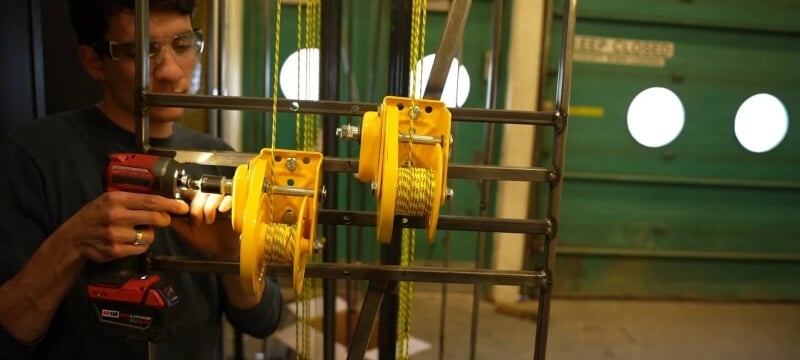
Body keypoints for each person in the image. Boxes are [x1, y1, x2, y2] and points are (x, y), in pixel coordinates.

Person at [0, 0, 283, 359]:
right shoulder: (32, 156)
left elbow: (263, 320)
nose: (171, 71)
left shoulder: (218, 159)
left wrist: (230, 255)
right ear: (93, 62)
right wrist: (71, 244)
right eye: (141, 51)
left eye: (182, 44)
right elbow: (8, 334)